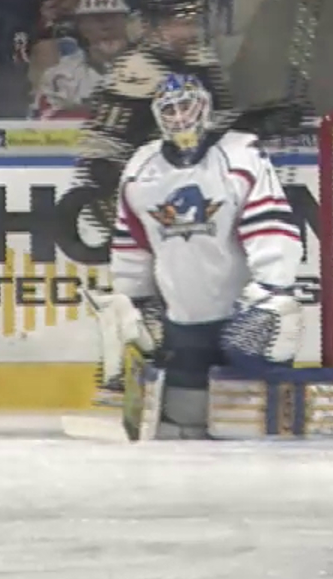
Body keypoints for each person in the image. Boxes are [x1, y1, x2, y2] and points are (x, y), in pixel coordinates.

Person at [88, 74, 301, 439]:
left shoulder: (239, 155)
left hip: (243, 320)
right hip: (182, 321)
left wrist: (273, 288)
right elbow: (132, 244)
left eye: (186, 105)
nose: (179, 116)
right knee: (183, 423)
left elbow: (269, 226)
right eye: (169, 109)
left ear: (204, 106)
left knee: (252, 425)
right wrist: (133, 300)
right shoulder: (142, 169)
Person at [75, 0, 232, 233]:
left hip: (203, 186)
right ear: (151, 29)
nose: (189, 33)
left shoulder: (202, 61)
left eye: (191, 23)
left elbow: (222, 123)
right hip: (152, 192)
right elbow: (102, 154)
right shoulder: (133, 72)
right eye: (178, 24)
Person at [34, 0, 132, 118]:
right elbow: (42, 119)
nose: (106, 26)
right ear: (82, 26)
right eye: (96, 19)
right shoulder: (59, 76)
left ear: (125, 22)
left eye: (113, 17)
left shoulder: (153, 69)